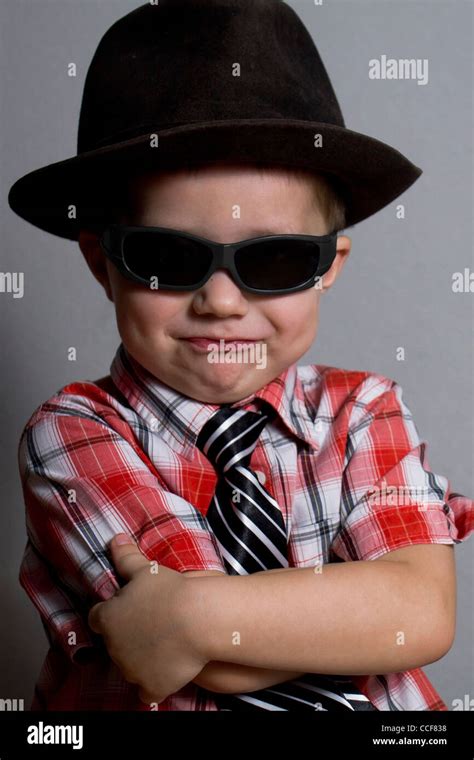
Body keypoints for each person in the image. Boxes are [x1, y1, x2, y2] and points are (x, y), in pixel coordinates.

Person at [9, 0, 473, 711]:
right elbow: (196, 664)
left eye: (278, 257)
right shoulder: (71, 433)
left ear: (330, 266)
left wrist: (195, 618)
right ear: (103, 263)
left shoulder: (364, 411)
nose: (222, 301)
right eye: (168, 256)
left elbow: (420, 615)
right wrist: (345, 619)